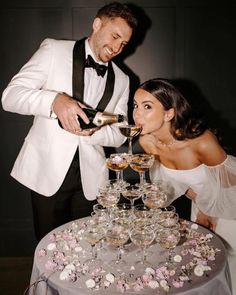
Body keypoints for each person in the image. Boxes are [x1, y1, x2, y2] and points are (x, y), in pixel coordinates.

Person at [1, 2, 138, 241]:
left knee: (87, 249)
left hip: (92, 178)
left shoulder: (123, 79)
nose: (117, 47)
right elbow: (10, 97)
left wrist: (94, 132)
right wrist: (54, 101)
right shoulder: (53, 50)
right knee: (49, 248)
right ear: (97, 24)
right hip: (48, 170)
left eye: (124, 43)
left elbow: (120, 131)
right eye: (115, 36)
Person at [133, 78, 236, 294]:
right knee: (204, 268)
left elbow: (229, 185)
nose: (137, 114)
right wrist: (201, 207)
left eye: (147, 107)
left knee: (229, 269)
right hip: (202, 202)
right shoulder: (147, 142)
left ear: (169, 113)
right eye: (135, 105)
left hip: (230, 205)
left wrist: (209, 211)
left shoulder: (201, 141)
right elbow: (174, 184)